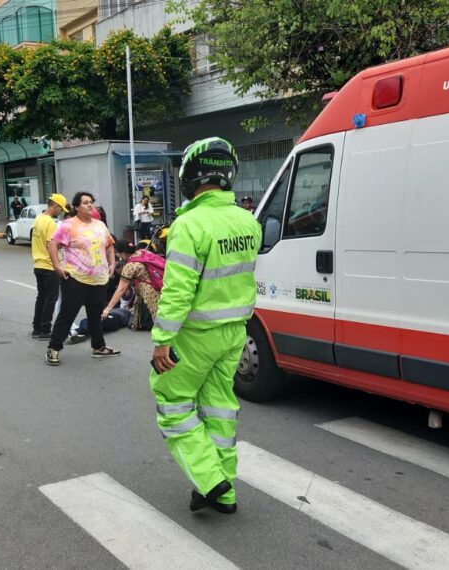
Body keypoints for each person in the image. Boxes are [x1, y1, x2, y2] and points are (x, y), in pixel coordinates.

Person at [150, 137, 261, 515]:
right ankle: (223, 491)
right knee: (219, 409)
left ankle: (210, 480)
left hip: (195, 336)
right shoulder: (248, 221)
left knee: (173, 405)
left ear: (191, 176)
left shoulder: (189, 224)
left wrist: (162, 339)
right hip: (235, 334)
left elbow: (177, 291)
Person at [45, 191, 121, 366]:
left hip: (99, 279)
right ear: (77, 207)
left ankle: (98, 347)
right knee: (67, 314)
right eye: (85, 202)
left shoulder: (100, 225)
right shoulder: (68, 225)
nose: (90, 205)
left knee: (96, 315)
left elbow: (109, 245)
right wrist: (57, 266)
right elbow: (53, 244)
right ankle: (54, 348)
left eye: (91, 202)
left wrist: (111, 264)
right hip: (75, 278)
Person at [103, 241, 163, 331]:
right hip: (160, 285)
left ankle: (164, 336)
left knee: (159, 319)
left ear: (123, 253)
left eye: (117, 253)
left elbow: (121, 289)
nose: (117, 255)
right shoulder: (143, 252)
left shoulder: (129, 266)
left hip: (149, 293)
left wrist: (108, 308)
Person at [32, 193, 68, 340]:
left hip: (38, 264)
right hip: (49, 265)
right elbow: (51, 245)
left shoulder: (38, 219)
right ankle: (45, 330)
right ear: (55, 206)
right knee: (50, 299)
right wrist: (63, 244)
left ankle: (36, 328)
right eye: (60, 209)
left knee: (41, 297)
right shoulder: (51, 223)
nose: (60, 212)